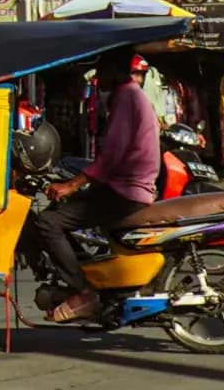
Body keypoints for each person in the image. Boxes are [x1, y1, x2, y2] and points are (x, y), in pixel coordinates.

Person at [31, 47, 161, 324]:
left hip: (126, 191)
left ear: (116, 72)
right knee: (65, 214)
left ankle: (83, 292)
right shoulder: (125, 97)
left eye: (102, 70)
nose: (97, 76)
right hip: (123, 185)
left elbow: (110, 157)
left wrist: (72, 185)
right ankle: (91, 281)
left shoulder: (127, 98)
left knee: (48, 223)